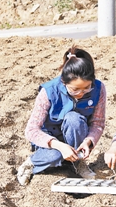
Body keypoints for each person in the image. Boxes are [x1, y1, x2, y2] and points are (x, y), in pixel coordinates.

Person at [17, 45, 106, 186]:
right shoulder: (48, 91)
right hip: (50, 140)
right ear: (64, 82)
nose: (82, 93)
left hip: (76, 135)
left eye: (87, 87)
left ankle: (77, 162)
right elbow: (31, 130)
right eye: (75, 89)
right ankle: (31, 164)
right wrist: (58, 145)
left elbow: (98, 123)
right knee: (55, 155)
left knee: (74, 118)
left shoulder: (99, 89)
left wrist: (88, 141)